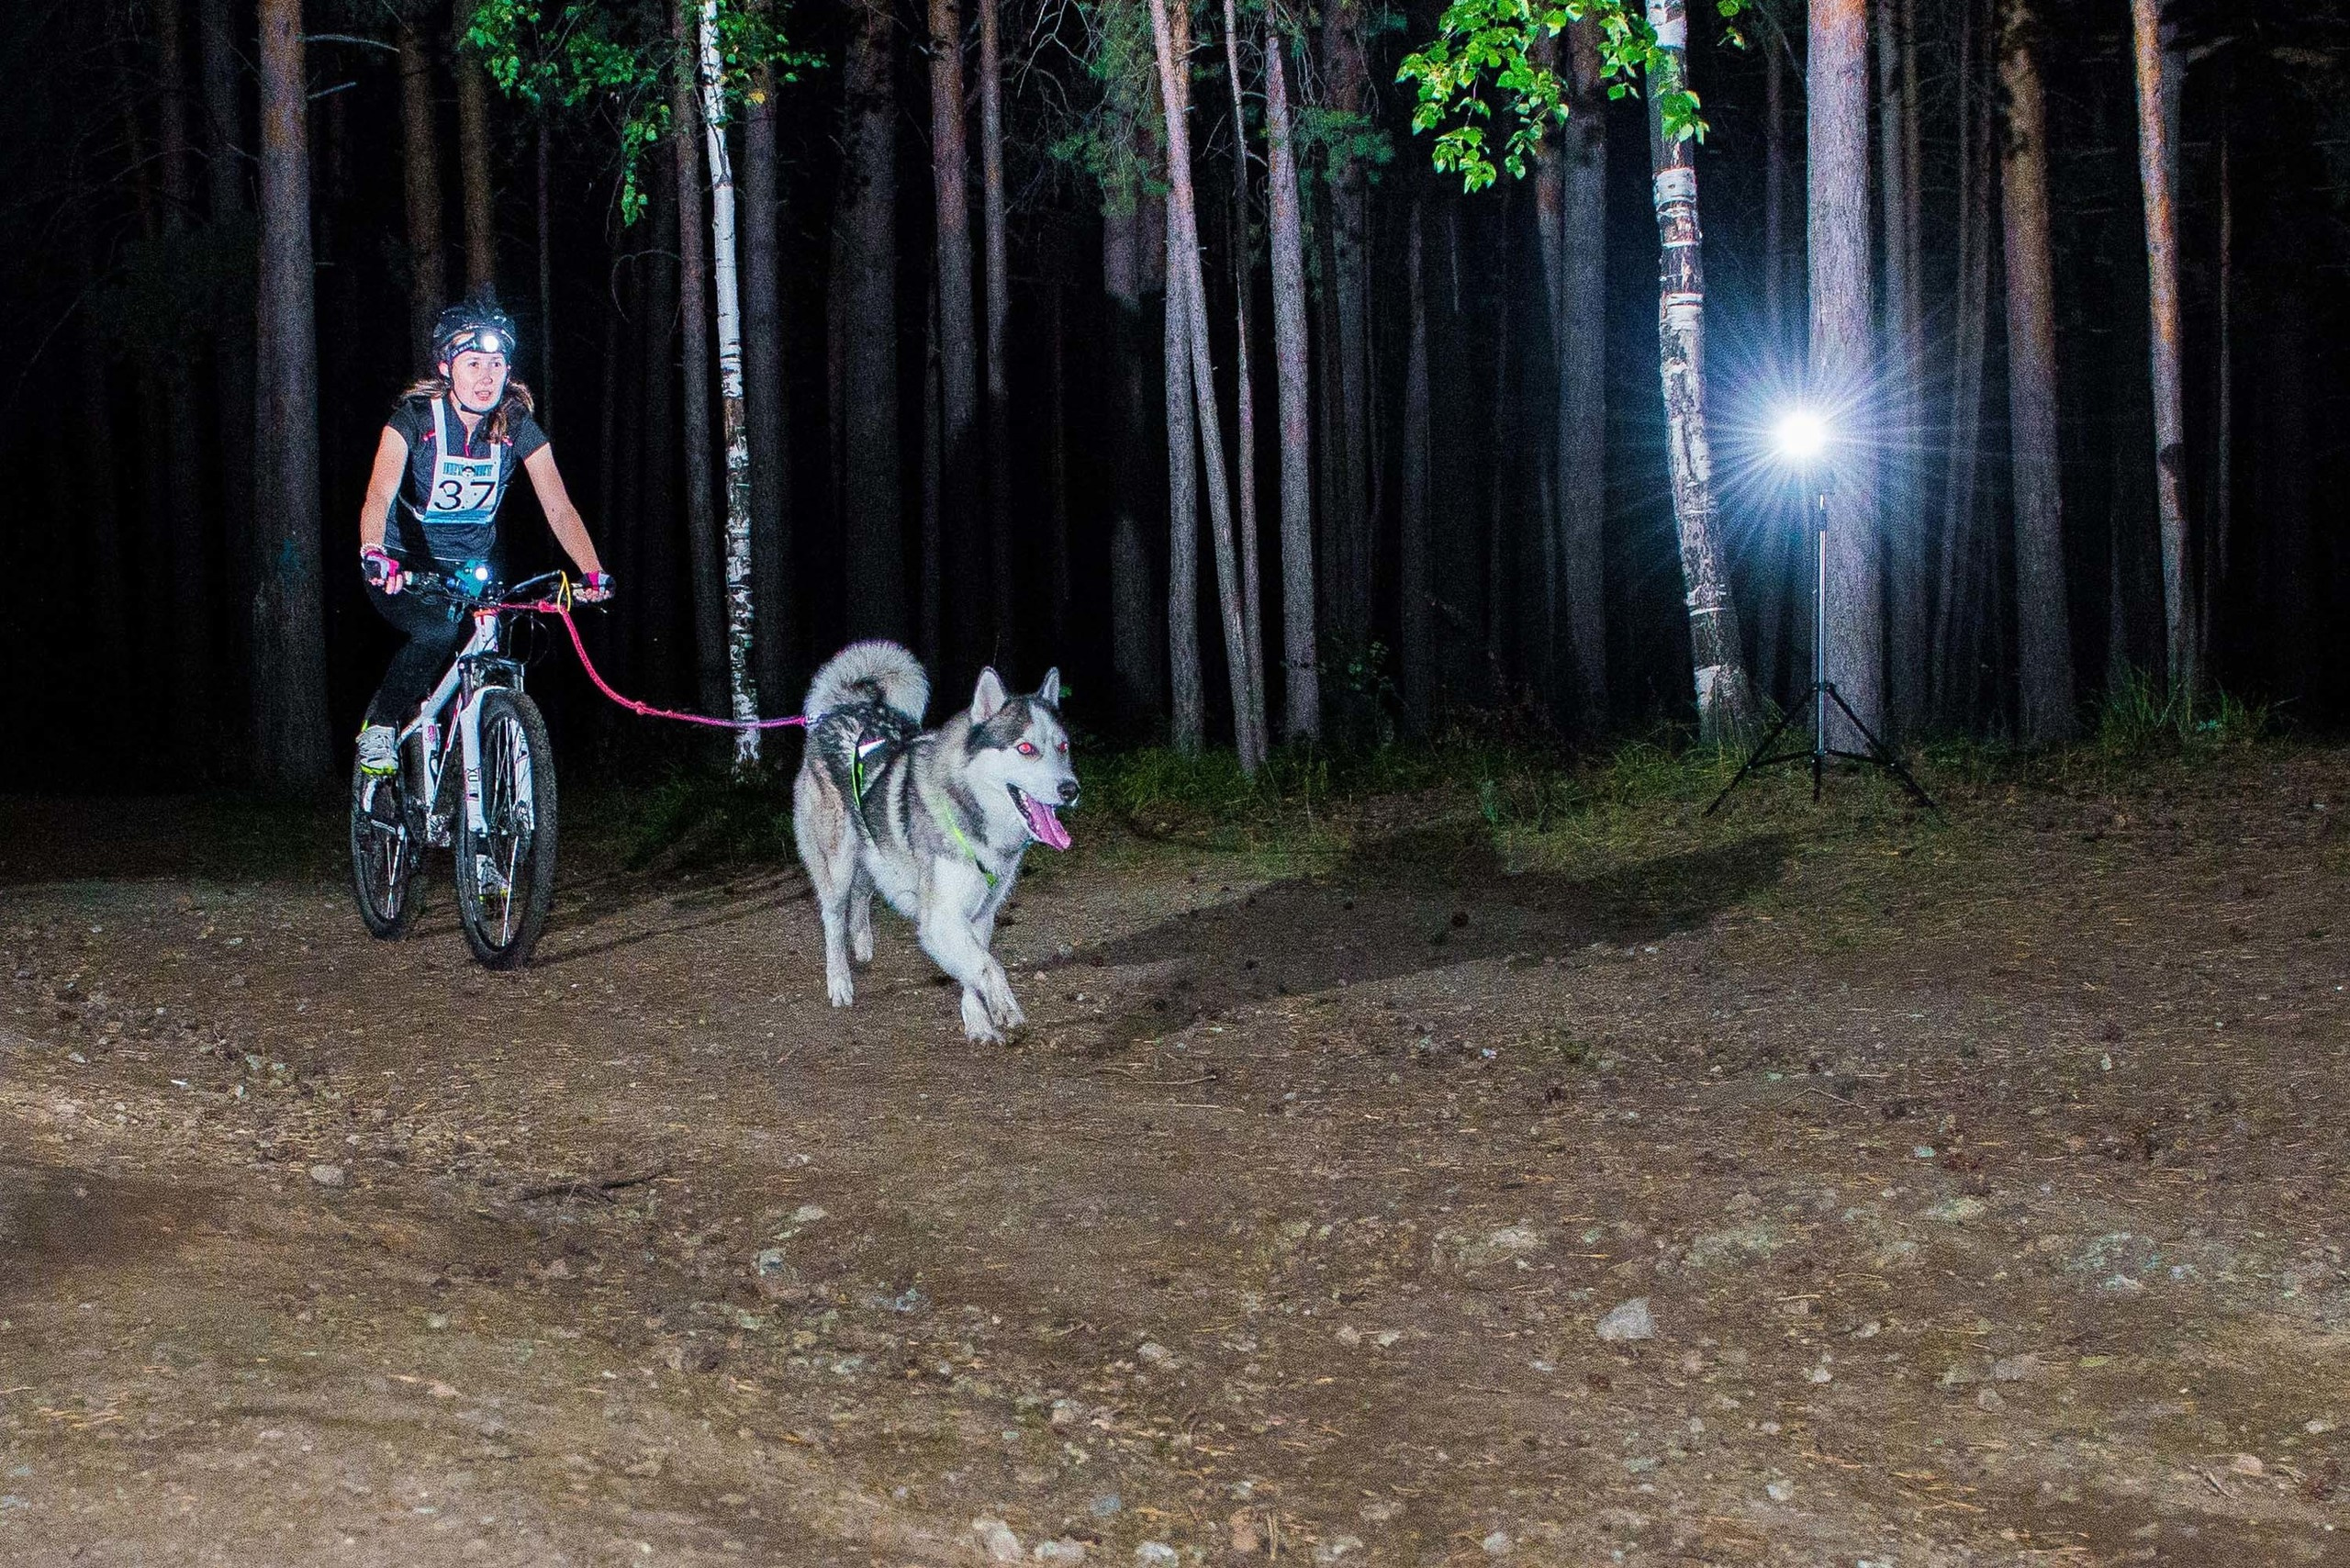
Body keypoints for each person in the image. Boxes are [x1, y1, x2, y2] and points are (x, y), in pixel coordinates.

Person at [352, 299, 612, 778]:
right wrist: (374, 553)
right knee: (437, 632)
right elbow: (379, 495)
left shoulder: (515, 426)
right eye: (473, 364)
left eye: (496, 364)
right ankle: (381, 724)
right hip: (402, 565)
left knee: (497, 640)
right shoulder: (414, 420)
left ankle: (481, 760)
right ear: (446, 368)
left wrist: (592, 571)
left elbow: (558, 505)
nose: (487, 376)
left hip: (469, 569)